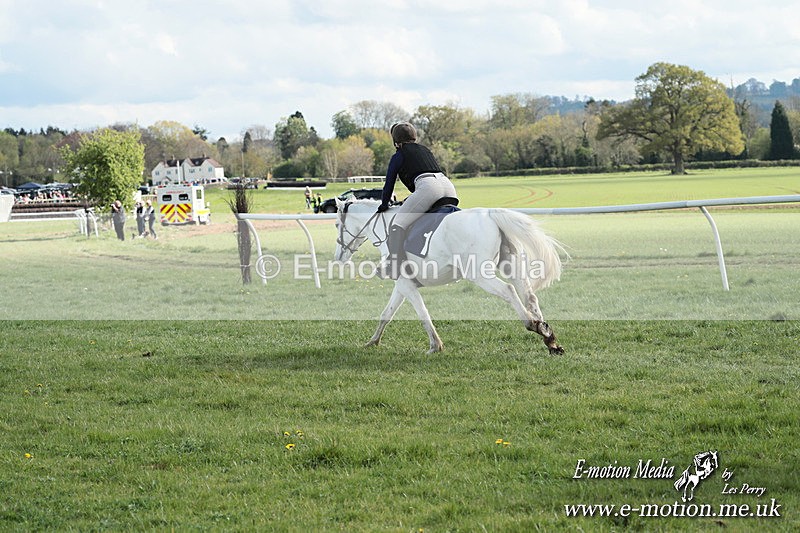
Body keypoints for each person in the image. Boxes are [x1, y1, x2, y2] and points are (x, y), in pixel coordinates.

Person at [376, 122, 459, 278]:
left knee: (397, 224)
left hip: (428, 187)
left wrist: (384, 204)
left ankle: (394, 266)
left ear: (396, 141)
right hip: (448, 186)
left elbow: (389, 184)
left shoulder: (399, 155)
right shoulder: (425, 150)